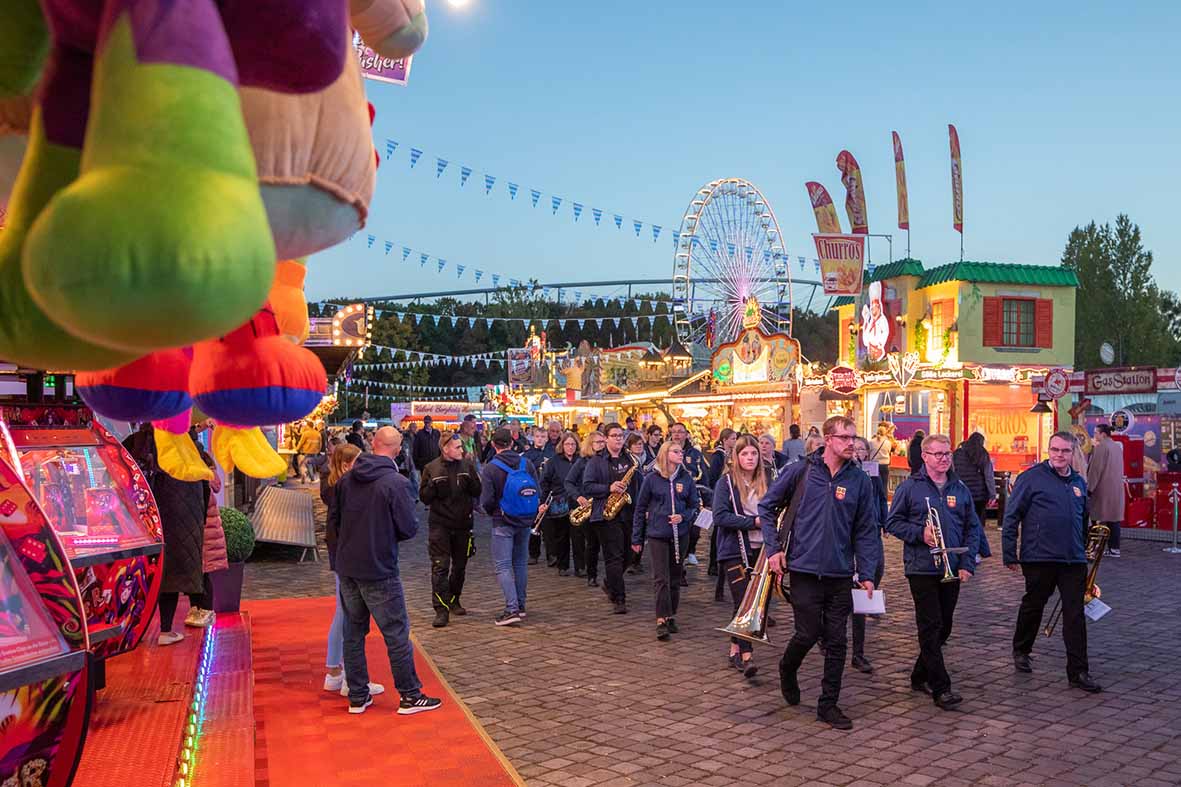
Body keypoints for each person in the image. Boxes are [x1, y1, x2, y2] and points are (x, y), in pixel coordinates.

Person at [759, 415, 882, 730]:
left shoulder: (859, 481)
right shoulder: (801, 471)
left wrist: (866, 571)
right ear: (829, 439)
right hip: (803, 568)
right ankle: (787, 667)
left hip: (840, 573)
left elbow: (866, 530)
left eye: (854, 438)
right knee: (808, 633)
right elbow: (767, 507)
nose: (851, 443)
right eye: (845, 437)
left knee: (837, 640)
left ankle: (828, 705)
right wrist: (773, 550)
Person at [329, 426, 441, 715]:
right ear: (397, 447)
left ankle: (357, 694)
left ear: (373, 443)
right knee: (396, 633)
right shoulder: (396, 482)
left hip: (349, 565)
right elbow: (407, 528)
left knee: (353, 631)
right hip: (379, 566)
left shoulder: (347, 479)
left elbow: (335, 522)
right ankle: (409, 694)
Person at [1003, 431, 1102, 694]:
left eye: (1065, 451)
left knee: (1074, 614)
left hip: (1072, 560)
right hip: (1039, 557)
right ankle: (1022, 649)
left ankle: (1078, 671)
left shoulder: (1079, 482)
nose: (1059, 455)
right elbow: (1011, 516)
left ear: (1073, 453)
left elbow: (1082, 522)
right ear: (1049, 450)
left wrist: (1084, 552)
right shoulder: (1031, 478)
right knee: (1034, 604)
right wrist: (1009, 553)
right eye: (1054, 450)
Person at [885, 433, 979, 710]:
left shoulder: (959, 488)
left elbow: (972, 528)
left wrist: (967, 564)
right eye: (937, 454)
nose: (943, 459)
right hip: (921, 567)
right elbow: (892, 523)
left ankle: (919, 675)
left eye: (947, 454)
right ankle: (941, 687)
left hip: (951, 564)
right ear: (924, 456)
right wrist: (919, 533)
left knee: (944, 626)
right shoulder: (910, 487)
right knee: (931, 625)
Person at [320, 443, 380, 698]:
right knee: (347, 614)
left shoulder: (334, 487)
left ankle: (335, 671)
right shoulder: (342, 489)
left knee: (343, 612)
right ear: (346, 465)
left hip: (341, 553)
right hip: (347, 554)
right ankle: (345, 676)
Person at [713, 435, 770, 677]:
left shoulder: (767, 482)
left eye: (753, 454)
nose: (750, 458)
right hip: (734, 549)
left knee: (753, 603)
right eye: (745, 454)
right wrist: (752, 522)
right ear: (736, 457)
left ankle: (734, 648)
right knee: (743, 602)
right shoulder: (726, 483)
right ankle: (747, 657)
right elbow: (720, 516)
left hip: (761, 550)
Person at [632, 441, 700, 640]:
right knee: (661, 577)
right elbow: (640, 508)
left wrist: (683, 516)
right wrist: (637, 537)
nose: (681, 454)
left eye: (681, 451)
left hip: (681, 534)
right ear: (666, 454)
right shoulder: (652, 479)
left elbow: (694, 506)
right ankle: (661, 618)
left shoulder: (686, 478)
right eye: (676, 451)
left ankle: (671, 614)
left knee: (675, 576)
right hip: (658, 534)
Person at [480, 427, 542, 626]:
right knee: (520, 563)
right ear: (513, 442)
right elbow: (537, 490)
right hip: (525, 519)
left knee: (503, 565)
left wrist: (494, 513)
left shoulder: (491, 468)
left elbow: (487, 500)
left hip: (503, 521)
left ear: (493, 444)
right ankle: (521, 605)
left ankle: (511, 608)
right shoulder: (527, 463)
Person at [419, 432, 482, 628]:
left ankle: (454, 599)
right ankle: (441, 608)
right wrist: (433, 485)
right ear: (445, 448)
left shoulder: (467, 466)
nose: (461, 450)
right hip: (440, 525)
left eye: (461, 447)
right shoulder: (431, 468)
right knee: (440, 567)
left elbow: (477, 491)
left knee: (460, 567)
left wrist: (473, 480)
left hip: (463, 524)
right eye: (457, 447)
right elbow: (424, 497)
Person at [582, 422, 639, 614]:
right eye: (614, 436)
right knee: (613, 557)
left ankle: (610, 582)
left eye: (621, 436)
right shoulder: (596, 461)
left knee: (629, 555)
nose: (618, 439)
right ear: (605, 438)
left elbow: (637, 485)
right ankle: (619, 598)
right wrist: (609, 488)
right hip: (605, 514)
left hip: (627, 513)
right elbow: (587, 486)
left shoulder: (630, 459)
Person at [849, 436, 888, 673]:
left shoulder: (870, 475)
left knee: (871, 576)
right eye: (854, 449)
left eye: (862, 449)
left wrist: (882, 522)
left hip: (869, 533)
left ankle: (858, 652)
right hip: (845, 540)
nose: (857, 453)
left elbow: (880, 500)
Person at [565, 430, 606, 584]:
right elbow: (568, 482)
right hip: (587, 506)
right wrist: (578, 496)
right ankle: (591, 574)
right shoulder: (582, 462)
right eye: (598, 442)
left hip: (603, 504)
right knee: (592, 543)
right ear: (590, 444)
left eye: (603, 442)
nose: (602, 445)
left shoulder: (607, 460)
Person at [667, 422, 707, 567]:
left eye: (680, 432)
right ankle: (679, 557)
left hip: (693, 493)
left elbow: (704, 474)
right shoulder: (665, 451)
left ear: (686, 434)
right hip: (674, 494)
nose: (677, 435)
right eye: (674, 432)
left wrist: (707, 498)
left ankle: (691, 551)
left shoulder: (694, 453)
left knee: (695, 527)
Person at [540, 432, 579, 576]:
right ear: (562, 446)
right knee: (562, 536)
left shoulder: (580, 460)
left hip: (577, 503)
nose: (570, 447)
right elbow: (544, 483)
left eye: (573, 444)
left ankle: (580, 567)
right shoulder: (553, 462)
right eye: (567, 444)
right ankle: (563, 566)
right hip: (559, 503)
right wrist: (543, 502)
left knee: (578, 537)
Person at [953, 432, 996, 562]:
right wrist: (992, 494)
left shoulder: (957, 453)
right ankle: (974, 551)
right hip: (979, 495)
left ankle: (962, 549)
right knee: (976, 524)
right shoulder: (982, 454)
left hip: (960, 493)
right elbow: (988, 476)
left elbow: (952, 472)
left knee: (961, 522)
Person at [1087, 424, 1125, 558]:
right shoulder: (1116, 446)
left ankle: (1095, 547)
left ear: (1102, 434)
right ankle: (1115, 548)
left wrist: (1089, 488)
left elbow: (1095, 470)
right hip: (1116, 488)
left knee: (1097, 518)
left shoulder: (1101, 447)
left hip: (1102, 489)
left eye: (1096, 433)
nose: (1094, 435)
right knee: (1114, 519)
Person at [523, 427, 552, 565]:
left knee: (549, 526)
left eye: (543, 436)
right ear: (533, 438)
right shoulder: (527, 455)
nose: (540, 439)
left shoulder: (551, 453)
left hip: (547, 492)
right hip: (532, 493)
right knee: (533, 524)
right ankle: (533, 554)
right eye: (538, 436)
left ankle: (551, 555)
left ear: (547, 438)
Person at [625, 432, 650, 572]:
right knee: (632, 531)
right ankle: (631, 560)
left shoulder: (648, 459)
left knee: (642, 530)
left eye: (640, 444)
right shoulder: (628, 461)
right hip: (632, 500)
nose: (639, 446)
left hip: (645, 499)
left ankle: (637, 560)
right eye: (635, 444)